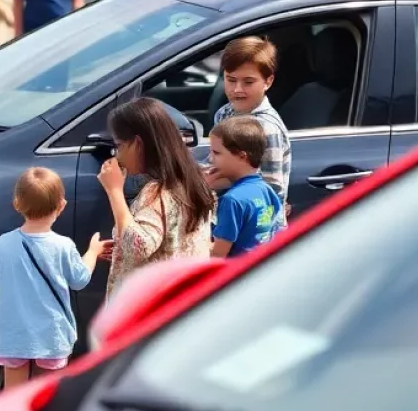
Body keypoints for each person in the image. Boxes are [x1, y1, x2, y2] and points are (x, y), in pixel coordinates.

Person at [0, 168, 105, 388]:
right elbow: (80, 279)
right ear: (61, 206)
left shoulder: (3, 243)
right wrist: (93, 252)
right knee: (48, 394)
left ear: (16, 204)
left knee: (13, 396)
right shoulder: (63, 246)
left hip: (13, 337)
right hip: (52, 336)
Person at [98, 97, 215, 300]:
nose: (118, 156)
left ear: (138, 143)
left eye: (120, 145)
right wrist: (120, 252)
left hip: (153, 303)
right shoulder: (190, 181)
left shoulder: (157, 192)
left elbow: (138, 246)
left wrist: (114, 191)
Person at [207, 36, 291, 212]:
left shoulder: (266, 128)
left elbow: (271, 189)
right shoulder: (224, 113)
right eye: (231, 80)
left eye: (248, 82)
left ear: (268, 81)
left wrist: (221, 181)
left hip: (257, 220)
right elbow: (214, 160)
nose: (237, 89)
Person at [207, 117, 283, 258]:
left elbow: (217, 255)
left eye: (216, 153)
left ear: (242, 156)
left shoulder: (232, 200)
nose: (210, 159)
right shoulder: (266, 189)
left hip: (239, 269)